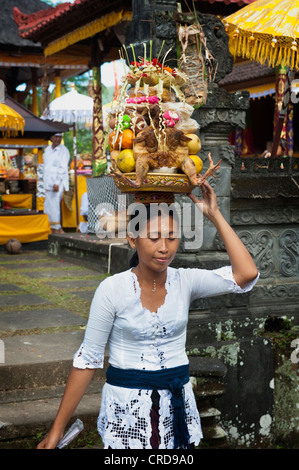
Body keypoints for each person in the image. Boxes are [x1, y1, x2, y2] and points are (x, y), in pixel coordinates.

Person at [37, 181, 259, 450]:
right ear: (133, 238)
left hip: (176, 408)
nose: (164, 247)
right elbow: (88, 361)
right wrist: (57, 429)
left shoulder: (185, 281)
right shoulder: (112, 290)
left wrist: (214, 214)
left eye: (172, 237)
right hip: (129, 412)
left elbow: (245, 275)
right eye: (154, 237)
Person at [43, 133, 70, 234]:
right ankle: (50, 227)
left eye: (60, 137)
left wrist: (57, 182)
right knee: (47, 206)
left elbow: (63, 168)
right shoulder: (47, 150)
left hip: (57, 182)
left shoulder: (63, 150)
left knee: (54, 205)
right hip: (47, 181)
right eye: (56, 137)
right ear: (51, 137)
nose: (58, 139)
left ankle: (57, 228)